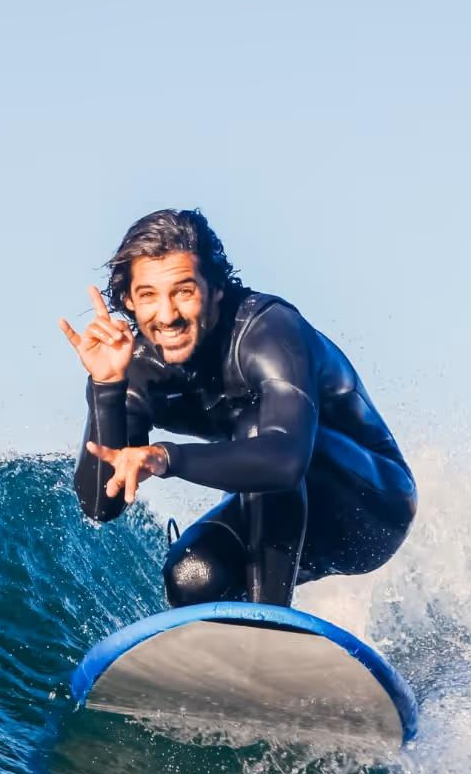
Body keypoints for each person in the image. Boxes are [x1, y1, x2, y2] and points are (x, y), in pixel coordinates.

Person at [57, 209, 417, 608]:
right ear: (129, 300)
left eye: (184, 291)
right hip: (288, 522)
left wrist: (165, 457)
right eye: (148, 296)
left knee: (256, 429)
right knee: (191, 577)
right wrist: (106, 387)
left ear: (216, 289)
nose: (167, 315)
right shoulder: (137, 366)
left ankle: (271, 623)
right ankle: (243, 657)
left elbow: (284, 459)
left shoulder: (268, 331)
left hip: (373, 507)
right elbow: (98, 506)